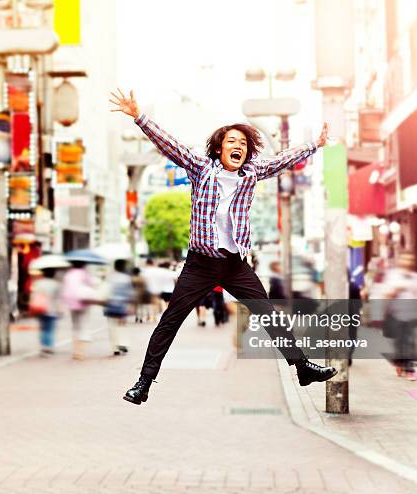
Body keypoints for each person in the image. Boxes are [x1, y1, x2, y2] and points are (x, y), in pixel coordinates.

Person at [110, 89, 337, 405]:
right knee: (170, 321)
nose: (238, 147)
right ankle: (143, 383)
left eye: (243, 144)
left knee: (268, 313)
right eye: (232, 142)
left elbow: (281, 159)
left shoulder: (251, 174)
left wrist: (315, 145)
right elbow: (168, 143)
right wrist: (139, 116)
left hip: (235, 263)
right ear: (218, 149)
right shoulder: (200, 169)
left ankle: (301, 367)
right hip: (200, 263)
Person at [62, 261, 98, 360]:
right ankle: (81, 352)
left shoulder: (68, 274)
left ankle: (75, 351)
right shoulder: (84, 273)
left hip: (71, 303)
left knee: (75, 326)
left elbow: (65, 288)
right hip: (82, 302)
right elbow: (91, 284)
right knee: (83, 325)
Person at [104, 259, 134, 356]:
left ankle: (115, 347)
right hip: (122, 305)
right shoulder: (126, 278)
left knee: (112, 326)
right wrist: (131, 305)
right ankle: (123, 343)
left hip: (110, 304)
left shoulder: (109, 278)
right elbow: (130, 294)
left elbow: (105, 292)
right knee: (122, 325)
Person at [30, 268, 62, 356]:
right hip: (52, 309)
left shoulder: (38, 283)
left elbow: (33, 295)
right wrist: (60, 309)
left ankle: (43, 347)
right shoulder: (56, 284)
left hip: (40, 308)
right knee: (50, 329)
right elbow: (58, 298)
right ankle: (49, 347)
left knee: (43, 329)